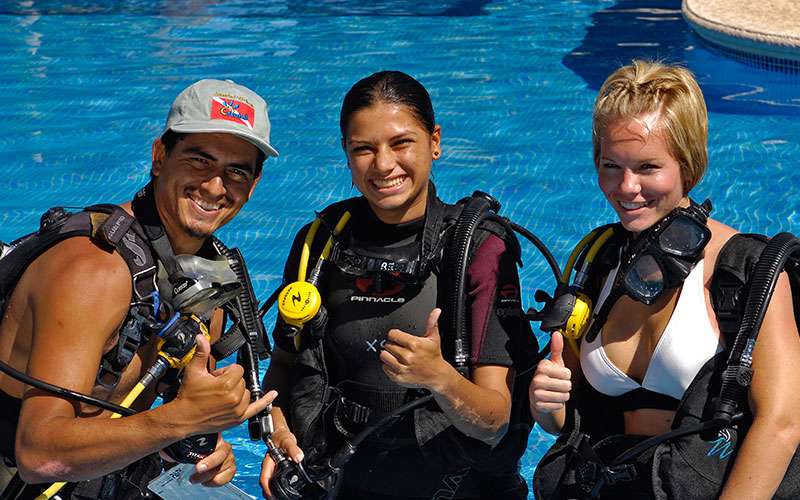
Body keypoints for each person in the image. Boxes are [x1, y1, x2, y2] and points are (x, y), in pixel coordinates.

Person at [259, 70, 539, 499]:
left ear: (435, 141)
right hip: (343, 483)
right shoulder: (320, 243)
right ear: (346, 155)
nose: (384, 164)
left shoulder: (477, 249)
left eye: (401, 142)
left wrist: (439, 377)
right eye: (363, 149)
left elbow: (495, 418)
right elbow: (282, 374)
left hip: (458, 488)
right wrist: (276, 434)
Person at [529, 60, 800, 499]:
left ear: (688, 165)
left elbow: (782, 424)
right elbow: (575, 418)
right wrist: (548, 406)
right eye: (610, 165)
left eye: (648, 167)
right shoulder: (598, 262)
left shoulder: (748, 270)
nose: (626, 187)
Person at [0, 79, 277, 499]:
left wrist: (197, 446)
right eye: (199, 161)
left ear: (253, 185)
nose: (215, 186)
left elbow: (141, 416)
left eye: (236, 171)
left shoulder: (208, 275)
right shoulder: (93, 270)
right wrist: (181, 421)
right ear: (159, 156)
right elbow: (38, 455)